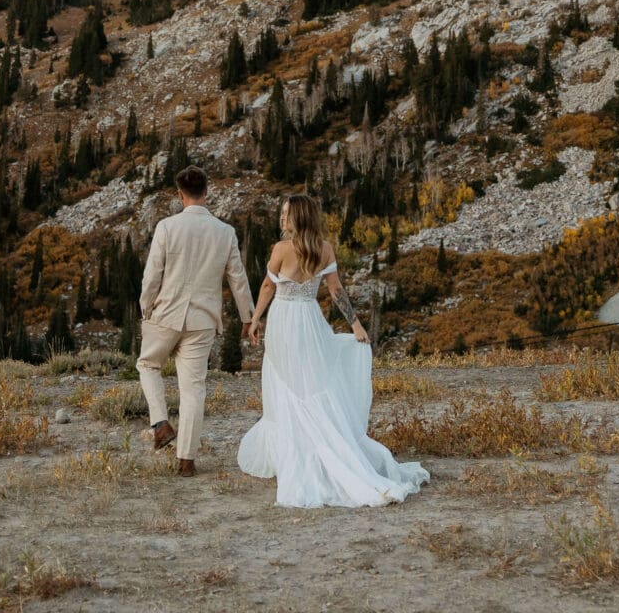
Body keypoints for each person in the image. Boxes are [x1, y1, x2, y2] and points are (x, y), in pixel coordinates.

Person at [238, 194, 429, 507]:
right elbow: (335, 289)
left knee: (286, 386)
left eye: (286, 214)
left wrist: (255, 318)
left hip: (285, 320)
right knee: (313, 382)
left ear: (298, 217)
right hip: (311, 318)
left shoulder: (281, 249)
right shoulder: (323, 249)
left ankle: (296, 454)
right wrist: (355, 324)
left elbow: (268, 287)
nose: (282, 219)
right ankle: (324, 446)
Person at [137, 165, 255, 477]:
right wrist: (247, 317)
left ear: (180, 194)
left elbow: (153, 275)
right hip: (203, 319)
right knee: (193, 389)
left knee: (148, 365)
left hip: (166, 312)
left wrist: (146, 306)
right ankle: (186, 461)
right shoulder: (225, 232)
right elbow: (238, 279)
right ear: (206, 193)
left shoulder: (166, 227)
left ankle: (161, 423)